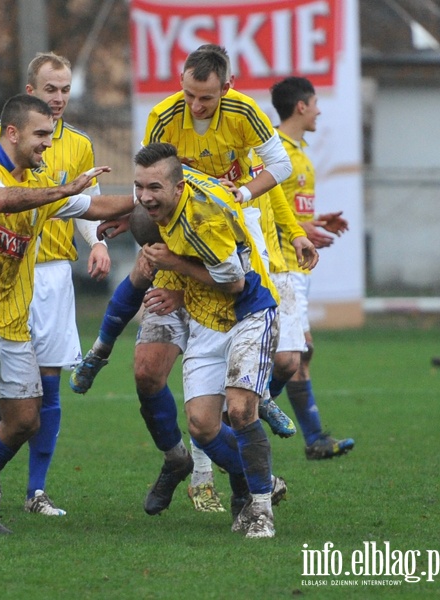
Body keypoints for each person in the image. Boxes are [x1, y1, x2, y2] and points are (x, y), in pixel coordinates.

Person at [70, 44, 316, 514]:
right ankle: (178, 457)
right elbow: (149, 180)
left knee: (270, 350)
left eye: (205, 98)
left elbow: (277, 173)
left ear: (226, 88)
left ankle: (253, 407)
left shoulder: (244, 113)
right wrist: (135, 214)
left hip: (224, 244)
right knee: (146, 370)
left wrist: (262, 208)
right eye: (188, 95)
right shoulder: (166, 117)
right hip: (173, 238)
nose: (195, 106)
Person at [0, 94, 134, 534]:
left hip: (11, 318)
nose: (48, 143)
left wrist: (150, 198)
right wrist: (62, 189)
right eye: (40, 135)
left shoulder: (40, 182)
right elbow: (3, 201)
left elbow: (94, 208)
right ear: (13, 133)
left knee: (25, 420)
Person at [0, 52, 110, 517]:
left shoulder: (80, 144)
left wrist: (98, 242)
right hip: (3, 276)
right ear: (31, 91)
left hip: (51, 275)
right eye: (51, 89)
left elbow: (86, 206)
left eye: (66, 89)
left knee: (47, 386)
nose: (60, 98)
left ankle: (37, 491)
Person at [136, 142, 280, 538]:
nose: (145, 197)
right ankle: (263, 476)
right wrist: (120, 214)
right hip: (206, 319)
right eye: (139, 188)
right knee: (201, 425)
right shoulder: (174, 192)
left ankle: (262, 509)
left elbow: (234, 282)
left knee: (240, 410)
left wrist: (174, 266)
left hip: (248, 314)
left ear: (179, 188)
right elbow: (151, 192)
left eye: (154, 189)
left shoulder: (203, 220)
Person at [269, 76, 355, 459]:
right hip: (278, 267)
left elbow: (289, 212)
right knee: (295, 353)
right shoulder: (274, 153)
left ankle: (315, 439)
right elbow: (258, 210)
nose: (319, 109)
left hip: (297, 267)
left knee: (301, 353)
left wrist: (315, 222)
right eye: (316, 102)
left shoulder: (298, 151)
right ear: (300, 106)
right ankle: (245, 409)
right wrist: (301, 228)